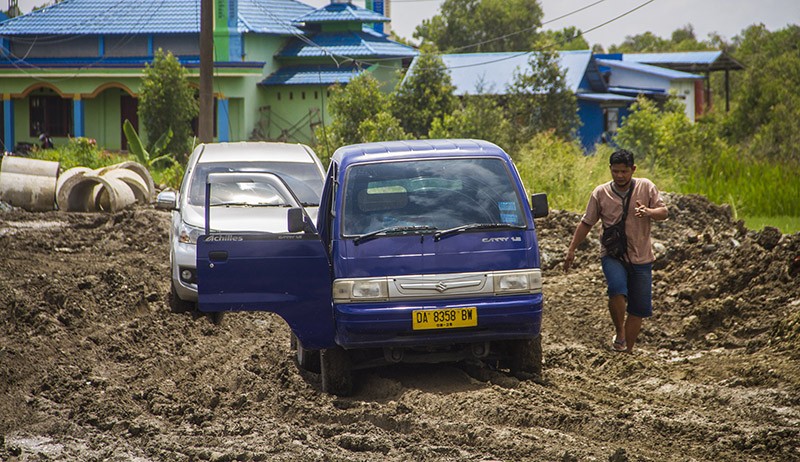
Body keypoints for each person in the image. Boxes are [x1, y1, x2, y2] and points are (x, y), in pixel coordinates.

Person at [563, 149, 668, 353]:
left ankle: (625, 351)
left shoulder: (646, 187)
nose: (620, 176)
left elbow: (663, 212)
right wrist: (571, 250)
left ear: (633, 169)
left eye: (624, 171)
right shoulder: (600, 193)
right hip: (613, 254)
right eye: (616, 171)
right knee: (617, 289)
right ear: (610, 170)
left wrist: (648, 212)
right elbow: (587, 223)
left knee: (638, 309)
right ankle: (620, 332)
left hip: (642, 256)